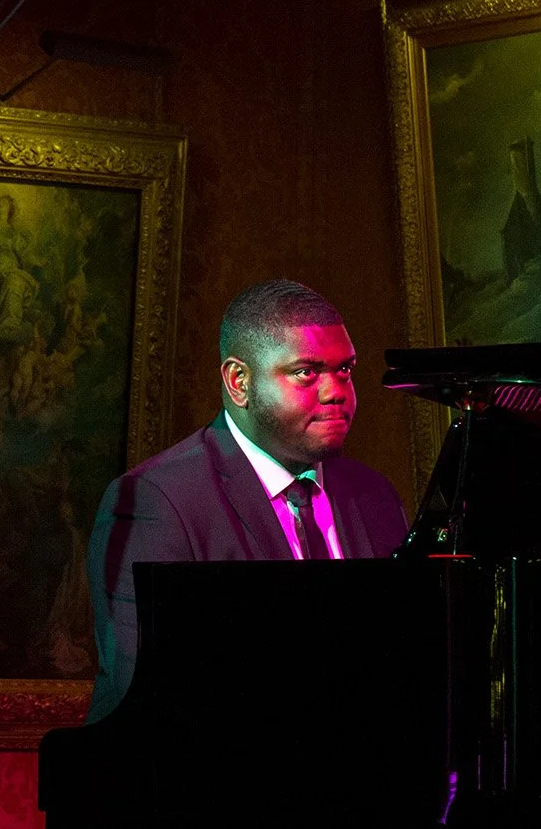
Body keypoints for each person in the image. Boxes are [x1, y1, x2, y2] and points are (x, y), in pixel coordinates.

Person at [84, 279, 407, 721]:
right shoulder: (155, 503)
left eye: (345, 370)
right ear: (239, 382)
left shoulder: (376, 497)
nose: (336, 391)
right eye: (306, 372)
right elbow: (152, 702)